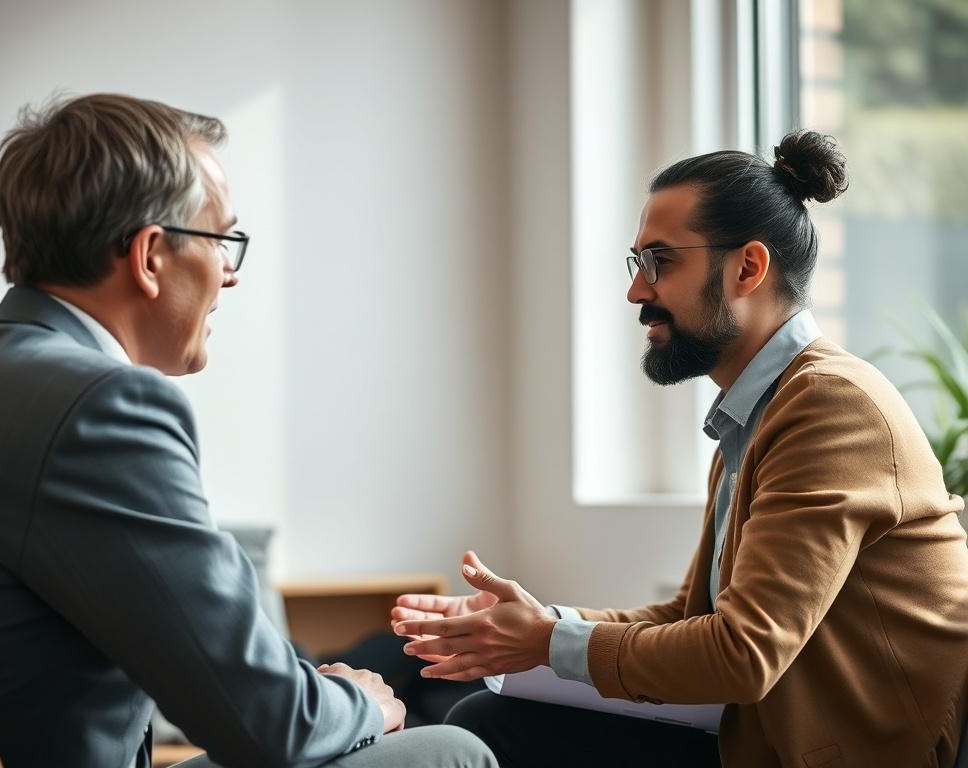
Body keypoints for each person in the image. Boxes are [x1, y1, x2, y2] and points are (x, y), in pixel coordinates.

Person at [0, 93, 495, 768]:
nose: (230, 274)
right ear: (149, 257)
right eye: (223, 240)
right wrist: (364, 703)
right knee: (449, 751)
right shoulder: (102, 407)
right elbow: (271, 729)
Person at [392, 130, 968, 767]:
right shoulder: (757, 414)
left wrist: (547, 641)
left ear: (748, 268)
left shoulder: (831, 408)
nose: (637, 292)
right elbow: (689, 614)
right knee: (491, 717)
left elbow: (742, 653)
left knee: (494, 726)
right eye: (638, 263)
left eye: (661, 262)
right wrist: (531, 621)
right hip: (756, 738)